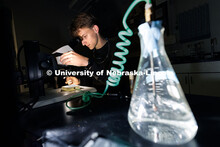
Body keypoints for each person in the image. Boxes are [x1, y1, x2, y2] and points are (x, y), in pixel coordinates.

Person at [60, 12, 115, 91]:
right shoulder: (88, 52)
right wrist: (78, 81)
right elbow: (93, 82)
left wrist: (87, 63)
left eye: (85, 36)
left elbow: (113, 82)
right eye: (81, 39)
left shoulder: (118, 49)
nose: (83, 43)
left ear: (95, 29)